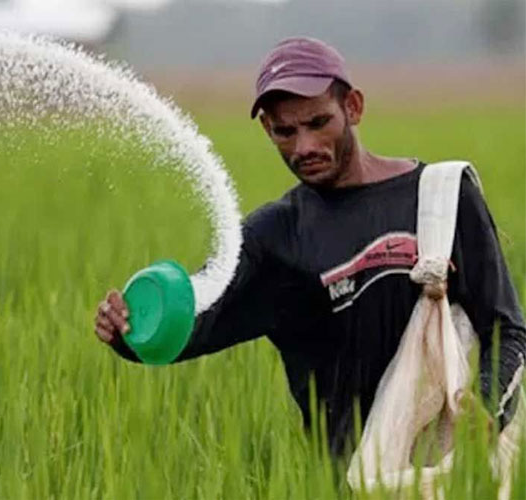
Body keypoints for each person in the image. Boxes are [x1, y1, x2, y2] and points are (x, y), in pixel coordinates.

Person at [93, 36, 526, 455]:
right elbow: (197, 322)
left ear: (352, 107)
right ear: (268, 128)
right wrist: (129, 330)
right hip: (351, 483)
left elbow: (506, 328)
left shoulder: (441, 198)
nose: (304, 147)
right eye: (285, 131)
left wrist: (484, 413)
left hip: (451, 468)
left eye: (319, 123)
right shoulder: (276, 237)